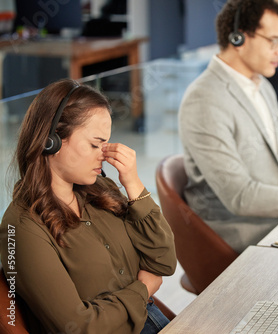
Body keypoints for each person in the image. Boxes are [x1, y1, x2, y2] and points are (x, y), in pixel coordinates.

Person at [0, 79, 177, 334]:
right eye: (95, 144)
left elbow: (164, 262)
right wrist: (142, 289)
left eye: (106, 144)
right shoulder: (22, 227)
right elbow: (79, 327)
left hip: (153, 321)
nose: (103, 154)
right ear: (52, 141)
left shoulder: (99, 189)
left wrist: (133, 184)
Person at [178, 0, 278, 254]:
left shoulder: (261, 85)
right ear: (239, 38)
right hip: (242, 237)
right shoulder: (204, 100)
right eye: (273, 41)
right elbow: (241, 197)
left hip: (277, 218)